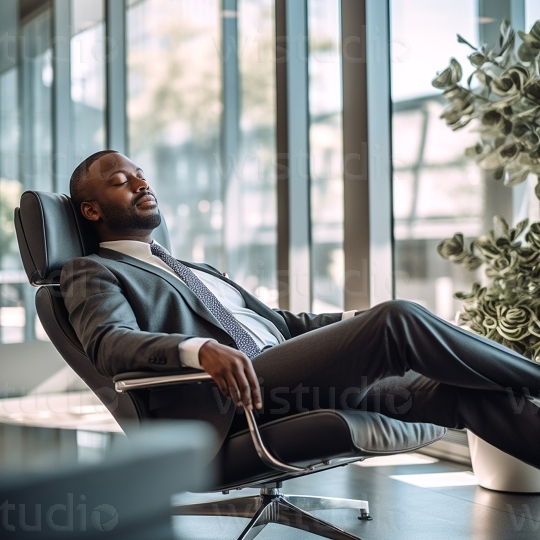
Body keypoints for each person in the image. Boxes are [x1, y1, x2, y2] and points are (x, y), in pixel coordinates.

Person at [61, 150, 540, 467]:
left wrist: (355, 323)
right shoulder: (92, 270)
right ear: (92, 211)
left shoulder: (194, 267)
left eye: (142, 176)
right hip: (237, 397)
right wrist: (197, 348)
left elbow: (283, 325)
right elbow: (109, 343)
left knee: (465, 392)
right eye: (123, 182)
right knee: (398, 318)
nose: (142, 185)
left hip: (300, 375)